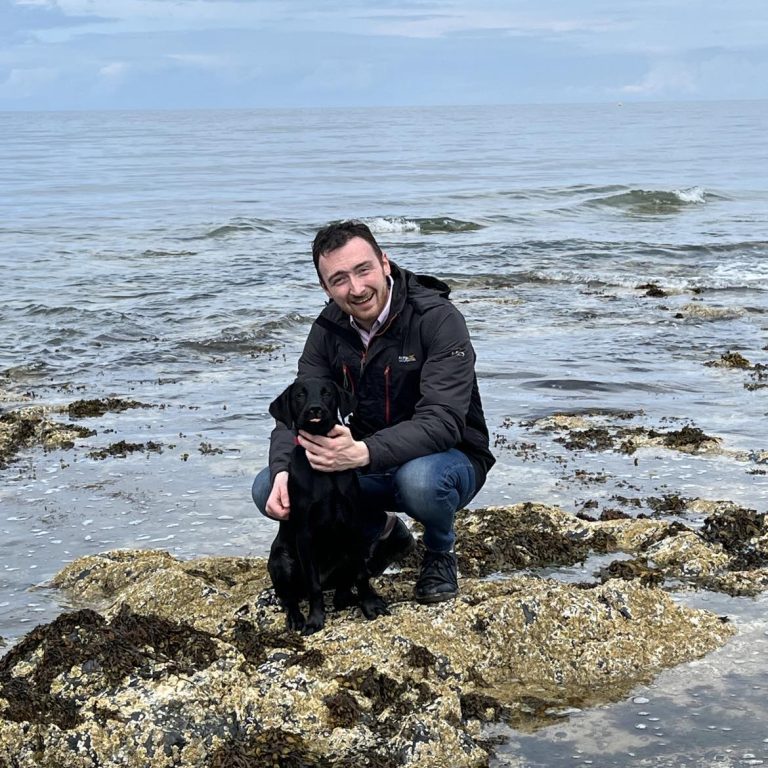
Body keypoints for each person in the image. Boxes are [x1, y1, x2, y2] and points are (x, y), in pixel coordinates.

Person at [252, 220, 495, 603]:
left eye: (363, 269)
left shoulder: (437, 318)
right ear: (325, 287)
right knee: (269, 485)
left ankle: (439, 553)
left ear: (384, 262)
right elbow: (296, 408)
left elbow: (444, 421)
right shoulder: (327, 329)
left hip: (448, 458)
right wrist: (283, 468)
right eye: (339, 279)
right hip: (364, 460)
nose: (357, 288)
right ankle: (382, 533)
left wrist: (362, 452)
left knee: (419, 481)